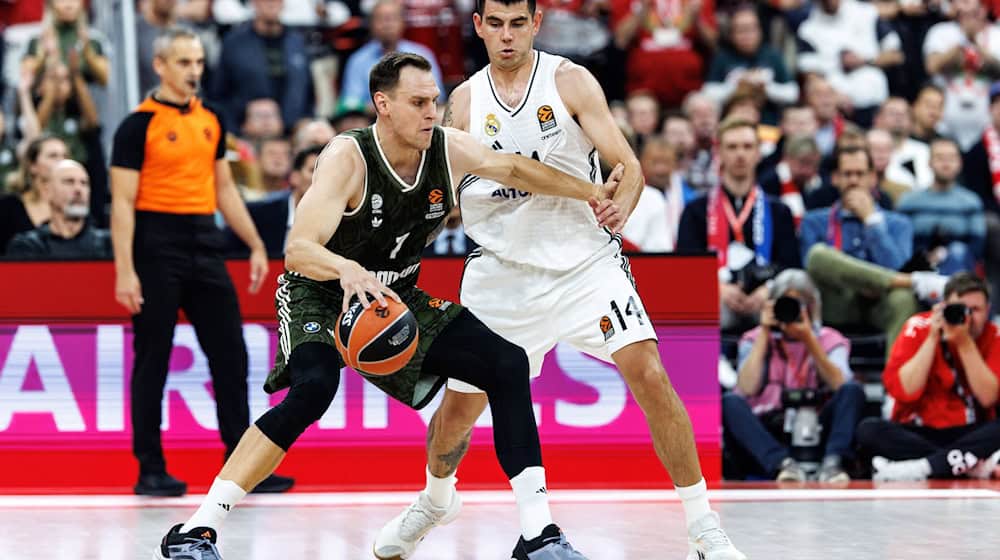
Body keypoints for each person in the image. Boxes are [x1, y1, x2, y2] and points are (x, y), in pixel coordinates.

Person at [154, 51, 629, 560]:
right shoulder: (347, 157)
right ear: (382, 104)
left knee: (507, 363)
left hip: (393, 298)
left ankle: (538, 534)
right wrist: (345, 269)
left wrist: (592, 191)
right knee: (314, 389)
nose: (432, 112)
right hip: (322, 290)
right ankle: (197, 530)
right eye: (418, 102)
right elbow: (298, 249)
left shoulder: (447, 148)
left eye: (435, 101)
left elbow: (513, 167)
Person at [374, 4, 746, 560]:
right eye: (495, 23)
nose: (506, 35)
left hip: (583, 266)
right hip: (501, 274)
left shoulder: (569, 81)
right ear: (477, 26)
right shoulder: (465, 102)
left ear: (536, 23)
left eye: (517, 23)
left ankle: (702, 525)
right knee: (456, 415)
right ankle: (435, 498)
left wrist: (622, 203)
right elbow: (438, 195)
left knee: (648, 370)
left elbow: (629, 166)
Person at [110, 27, 292, 497]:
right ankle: (150, 467)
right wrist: (125, 270)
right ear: (160, 67)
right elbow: (123, 203)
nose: (194, 71)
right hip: (155, 244)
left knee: (230, 356)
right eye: (183, 62)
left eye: (197, 62)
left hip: (204, 242)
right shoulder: (137, 125)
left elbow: (224, 188)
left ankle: (242, 465)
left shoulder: (211, 118)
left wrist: (253, 243)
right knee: (153, 359)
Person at [723, 269, 865, 483]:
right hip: (771, 429)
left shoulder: (830, 339)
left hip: (818, 426)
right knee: (730, 402)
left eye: (798, 305)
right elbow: (746, 388)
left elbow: (840, 384)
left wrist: (809, 339)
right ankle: (782, 465)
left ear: (811, 307)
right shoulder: (753, 339)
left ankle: (833, 464)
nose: (790, 312)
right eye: (784, 304)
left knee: (853, 390)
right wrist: (764, 331)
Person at [800, 146, 945, 355]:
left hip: (880, 303)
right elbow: (813, 267)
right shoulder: (814, 221)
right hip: (835, 302)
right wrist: (864, 280)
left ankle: (896, 384)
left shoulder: (898, 223)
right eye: (847, 174)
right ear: (834, 178)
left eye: (860, 174)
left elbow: (898, 266)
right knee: (818, 254)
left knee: (903, 298)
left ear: (872, 178)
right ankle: (916, 281)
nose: (853, 181)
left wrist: (872, 222)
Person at [856, 273, 1000, 481]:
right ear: (942, 307)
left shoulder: (994, 336)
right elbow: (906, 392)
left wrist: (964, 343)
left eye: (975, 310)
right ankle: (964, 463)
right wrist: (932, 338)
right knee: (869, 430)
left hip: (969, 431)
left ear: (988, 310)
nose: (967, 317)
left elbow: (988, 397)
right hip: (919, 431)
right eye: (960, 309)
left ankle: (925, 467)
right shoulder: (919, 326)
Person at [677, 118, 800, 333]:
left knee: (796, 286)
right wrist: (718, 289)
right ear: (720, 153)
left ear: (758, 153)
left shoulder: (780, 211)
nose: (740, 154)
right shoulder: (696, 210)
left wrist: (767, 290)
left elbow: (791, 267)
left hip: (766, 301)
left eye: (747, 146)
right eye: (732, 147)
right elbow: (686, 267)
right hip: (715, 301)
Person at [210, 0, 312, 132]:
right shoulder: (234, 43)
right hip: (247, 133)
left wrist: (302, 124)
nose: (271, 3)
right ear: (253, 3)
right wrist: (235, 128)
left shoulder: (297, 42)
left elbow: (309, 93)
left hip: (292, 132)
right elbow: (218, 95)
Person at [897, 137, 985, 275]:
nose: (946, 163)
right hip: (917, 266)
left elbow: (977, 246)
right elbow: (901, 241)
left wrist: (945, 254)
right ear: (929, 162)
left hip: (958, 267)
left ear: (960, 163)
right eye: (940, 158)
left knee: (958, 250)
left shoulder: (971, 202)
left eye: (951, 158)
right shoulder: (909, 201)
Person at [339, 0, 445, 110]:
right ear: (371, 24)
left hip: (416, 116)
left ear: (403, 22)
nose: (387, 24)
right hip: (373, 119)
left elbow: (437, 97)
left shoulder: (423, 55)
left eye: (392, 18)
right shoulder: (358, 60)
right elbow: (351, 103)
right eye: (381, 19)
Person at [224, 144, 323, 257]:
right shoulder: (255, 214)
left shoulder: (342, 222)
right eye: (313, 170)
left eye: (327, 172)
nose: (321, 177)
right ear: (295, 177)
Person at [7, 159, 110, 258]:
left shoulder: (108, 245)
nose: (78, 189)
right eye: (69, 182)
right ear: (47, 192)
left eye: (84, 183)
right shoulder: (27, 246)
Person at [0, 135, 68, 254]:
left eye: (65, 156)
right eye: (53, 156)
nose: (62, 161)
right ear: (33, 166)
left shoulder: (73, 206)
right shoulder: (8, 206)